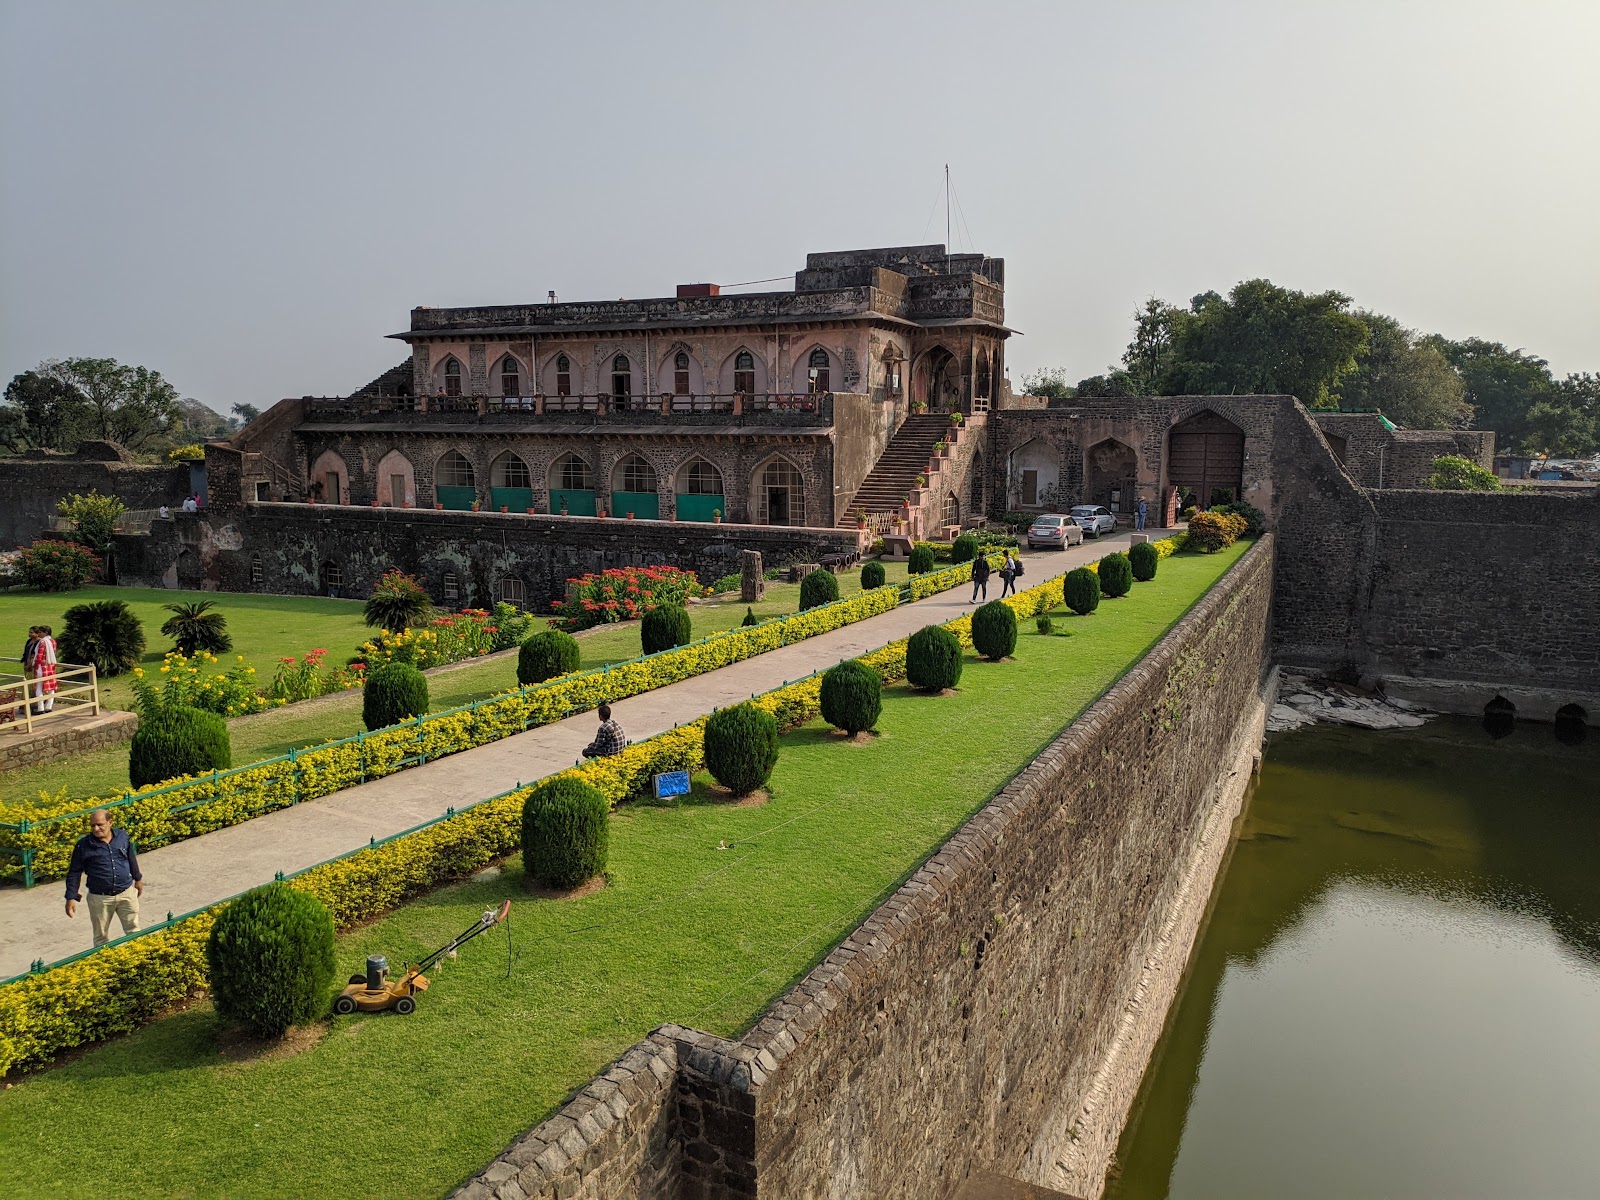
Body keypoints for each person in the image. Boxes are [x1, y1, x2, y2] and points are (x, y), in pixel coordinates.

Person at [65, 808, 143, 947]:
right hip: (99, 899)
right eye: (93, 825)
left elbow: (130, 858)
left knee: (134, 932)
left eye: (100, 824)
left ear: (110, 822)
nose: (95, 828)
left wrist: (138, 879)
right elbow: (74, 872)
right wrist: (71, 897)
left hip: (126, 893)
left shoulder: (122, 837)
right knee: (100, 938)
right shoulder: (83, 846)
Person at [32, 624, 57, 713]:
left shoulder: (42, 642)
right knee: (51, 687)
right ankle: (48, 706)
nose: (39, 634)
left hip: (41, 667)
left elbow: (39, 656)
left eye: (41, 632)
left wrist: (34, 665)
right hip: (51, 666)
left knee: (38, 687)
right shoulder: (53, 641)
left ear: (46, 633)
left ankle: (40, 708)